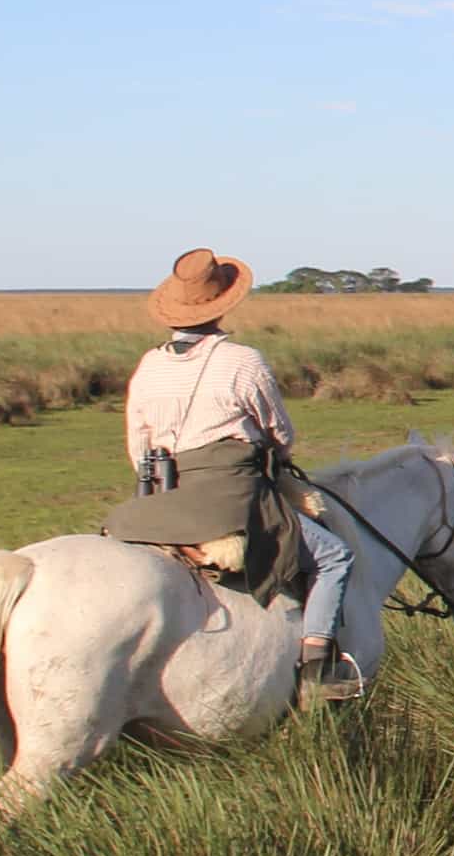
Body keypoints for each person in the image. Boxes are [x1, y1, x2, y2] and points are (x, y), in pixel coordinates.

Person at [103, 246, 359, 704]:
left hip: (163, 496)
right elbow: (279, 431)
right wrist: (277, 454)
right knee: (335, 556)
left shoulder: (149, 365)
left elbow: (136, 447)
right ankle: (318, 669)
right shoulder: (242, 360)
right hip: (233, 497)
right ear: (224, 304)